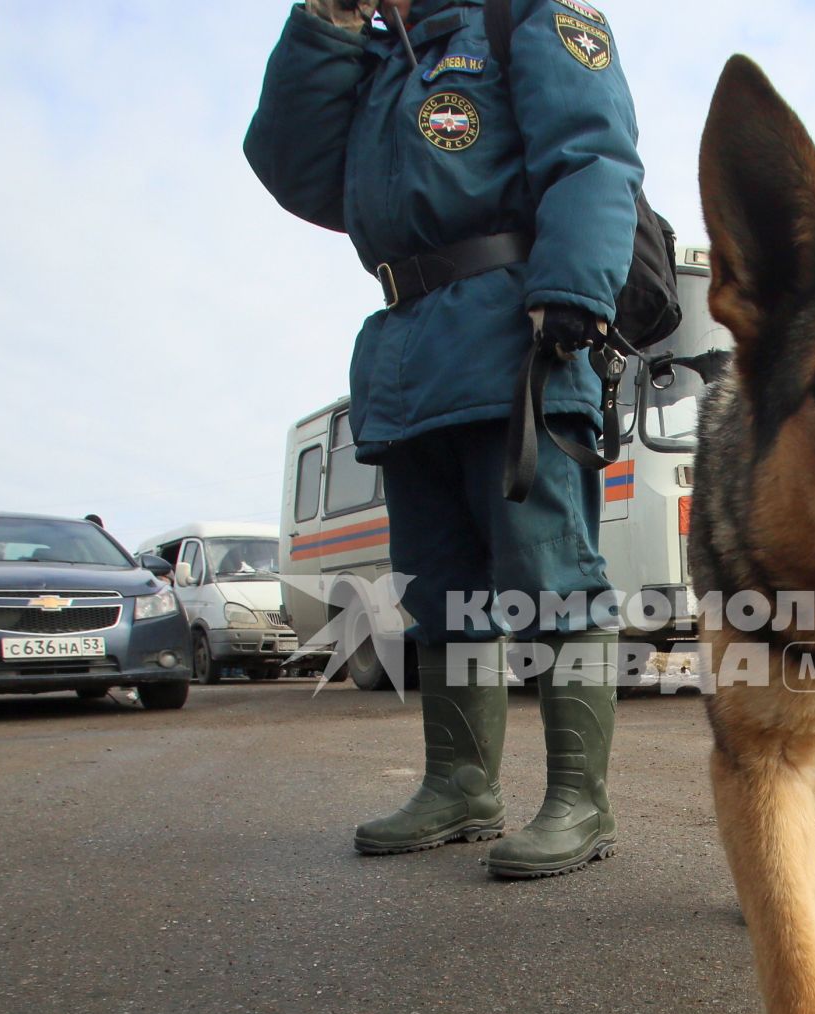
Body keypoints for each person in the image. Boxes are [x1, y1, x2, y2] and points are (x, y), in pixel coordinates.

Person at [245, 0, 643, 878]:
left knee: (555, 582)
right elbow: (297, 169)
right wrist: (325, 26)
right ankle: (461, 786)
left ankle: (583, 801)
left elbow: (593, 151)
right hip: (410, 355)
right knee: (440, 592)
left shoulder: (525, 16)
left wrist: (575, 289)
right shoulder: (382, 57)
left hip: (517, 339)